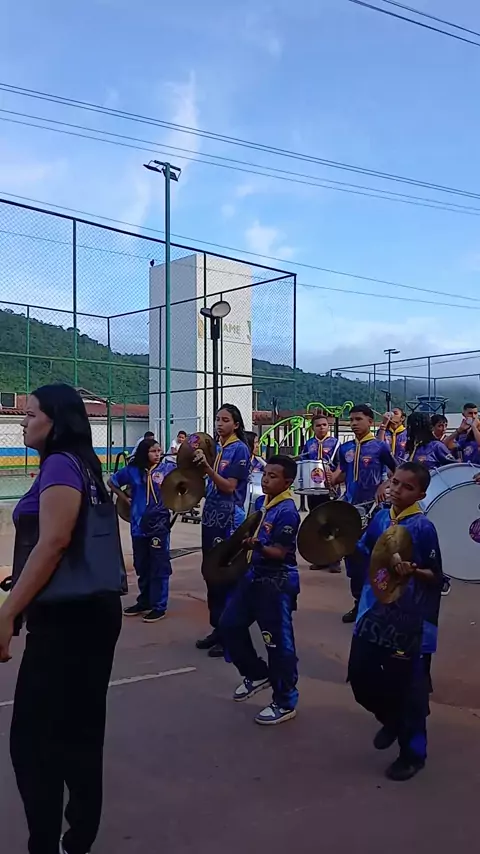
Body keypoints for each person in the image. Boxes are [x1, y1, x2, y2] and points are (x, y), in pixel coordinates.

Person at [0, 384, 123, 854]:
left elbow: (54, 542)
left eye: (31, 414)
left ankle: (47, 844)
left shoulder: (59, 465)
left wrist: (8, 612)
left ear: (56, 421)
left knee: (33, 742)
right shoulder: (84, 465)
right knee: (80, 732)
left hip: (68, 620)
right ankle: (78, 837)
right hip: (91, 611)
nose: (22, 421)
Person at [348, 462, 443, 782]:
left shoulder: (423, 527)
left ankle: (413, 755)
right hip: (372, 612)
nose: (397, 490)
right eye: (395, 482)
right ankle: (391, 719)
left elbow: (436, 576)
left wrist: (413, 570)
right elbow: (364, 551)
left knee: (409, 691)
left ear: (421, 494)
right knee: (359, 677)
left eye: (407, 487)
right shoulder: (380, 517)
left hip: (408, 621)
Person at [220, 455, 300, 725]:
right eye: (265, 474)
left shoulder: (287, 511)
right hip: (253, 576)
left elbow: (279, 552)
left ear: (288, 482)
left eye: (273, 476)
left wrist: (258, 547)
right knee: (229, 625)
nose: (265, 479)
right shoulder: (261, 503)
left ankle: (285, 701)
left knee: (278, 644)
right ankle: (256, 673)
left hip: (276, 582)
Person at [328, 404, 397, 623]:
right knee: (353, 558)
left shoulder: (380, 447)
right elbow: (342, 474)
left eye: (358, 419)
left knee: (375, 557)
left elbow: (397, 473)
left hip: (374, 510)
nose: (354, 423)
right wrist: (331, 479)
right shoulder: (345, 448)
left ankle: (379, 604)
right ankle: (359, 603)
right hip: (350, 510)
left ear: (370, 421)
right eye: (351, 420)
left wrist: (384, 485)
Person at [195, 404, 251, 658]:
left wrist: (207, 469)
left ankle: (230, 635)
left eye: (225, 419)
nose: (219, 423)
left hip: (229, 518)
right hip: (211, 517)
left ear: (236, 424)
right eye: (217, 419)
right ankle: (218, 628)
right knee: (211, 574)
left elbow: (229, 487)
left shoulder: (239, 449)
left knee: (227, 577)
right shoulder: (218, 448)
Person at [109, 438, 175, 623]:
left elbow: (186, 481)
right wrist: (124, 498)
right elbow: (112, 482)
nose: (158, 454)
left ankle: (159, 606)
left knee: (159, 566)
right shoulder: (132, 471)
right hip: (138, 524)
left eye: (159, 451)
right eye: (153, 451)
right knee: (142, 565)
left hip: (159, 525)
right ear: (144, 452)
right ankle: (144, 601)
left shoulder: (167, 469)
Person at [300, 414, 340, 572]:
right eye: (318, 425)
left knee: (332, 522)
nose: (322, 427)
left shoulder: (336, 444)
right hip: (313, 490)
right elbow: (303, 463)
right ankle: (320, 558)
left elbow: (341, 465)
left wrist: (334, 476)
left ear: (328, 426)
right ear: (313, 428)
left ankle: (335, 559)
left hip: (330, 489)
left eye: (324, 425)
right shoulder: (309, 444)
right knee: (316, 522)